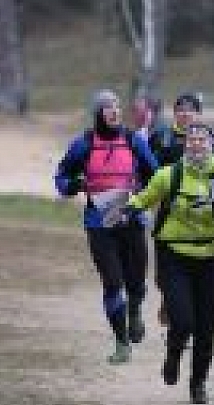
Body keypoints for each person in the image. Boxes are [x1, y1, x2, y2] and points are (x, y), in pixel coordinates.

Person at [126, 122, 214, 404]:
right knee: (183, 320)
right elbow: (144, 199)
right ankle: (173, 355)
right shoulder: (169, 175)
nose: (197, 144)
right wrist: (126, 208)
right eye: (192, 140)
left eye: (202, 140)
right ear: (185, 145)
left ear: (211, 146)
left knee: (206, 326)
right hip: (174, 256)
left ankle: (198, 383)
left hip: (211, 258)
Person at [54, 89, 159, 364]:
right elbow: (61, 177)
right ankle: (122, 342)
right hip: (99, 224)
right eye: (107, 107)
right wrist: (75, 185)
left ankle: (134, 311)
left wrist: (141, 194)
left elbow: (156, 175)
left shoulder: (133, 140)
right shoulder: (84, 143)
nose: (114, 111)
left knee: (136, 282)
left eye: (117, 107)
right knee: (112, 282)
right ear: (98, 113)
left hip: (131, 219)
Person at [147, 91, 214, 326]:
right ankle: (170, 300)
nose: (185, 114)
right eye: (180, 110)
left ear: (199, 114)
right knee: (165, 275)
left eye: (190, 110)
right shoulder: (161, 138)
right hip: (167, 214)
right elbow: (144, 170)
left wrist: (212, 198)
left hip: (204, 217)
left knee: (198, 274)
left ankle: (184, 310)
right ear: (174, 113)